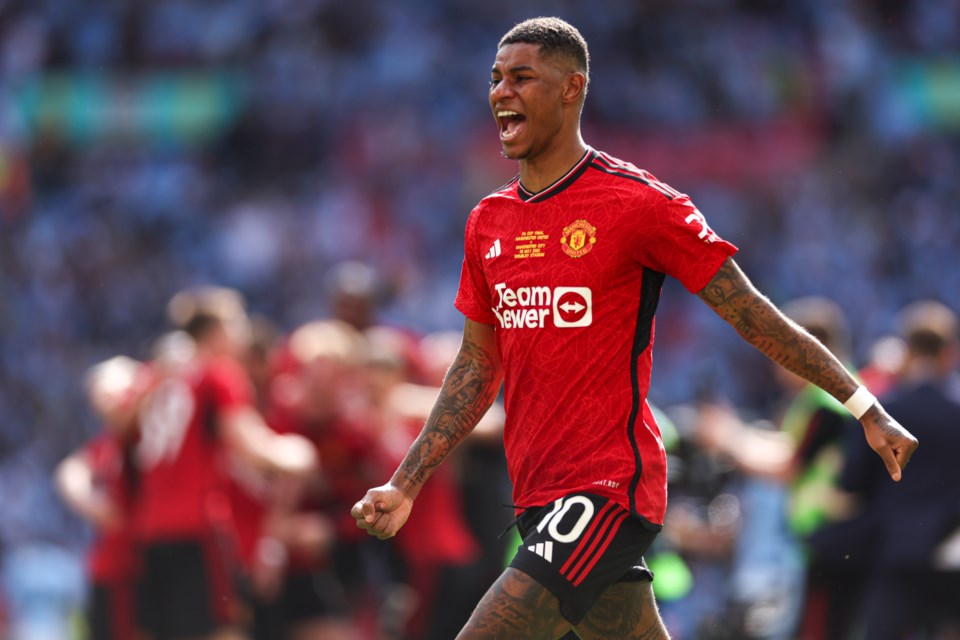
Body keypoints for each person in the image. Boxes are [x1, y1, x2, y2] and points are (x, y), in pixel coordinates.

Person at [351, 17, 918, 640]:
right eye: (494, 78)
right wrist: (404, 484)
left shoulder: (640, 204)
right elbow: (476, 367)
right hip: (537, 494)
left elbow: (753, 313)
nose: (500, 92)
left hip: (608, 490)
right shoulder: (488, 221)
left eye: (521, 77)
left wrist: (864, 405)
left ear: (572, 89)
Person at [133, 287, 316, 640]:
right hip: (197, 526)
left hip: (151, 531)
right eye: (238, 322)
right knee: (222, 631)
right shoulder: (217, 373)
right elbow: (250, 445)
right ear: (217, 330)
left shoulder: (160, 378)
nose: (243, 332)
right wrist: (296, 453)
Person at [840, 300, 960, 639]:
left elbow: (852, 482)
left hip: (897, 551)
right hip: (954, 554)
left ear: (906, 351)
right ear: (949, 352)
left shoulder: (885, 411)